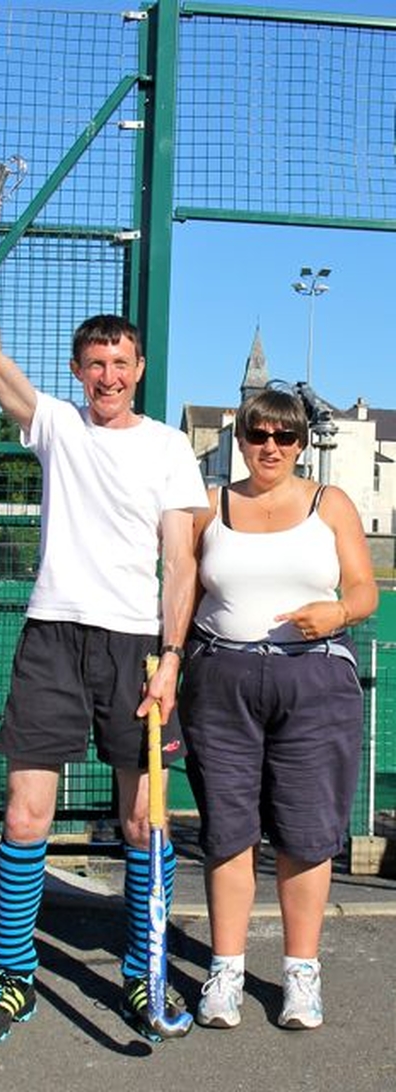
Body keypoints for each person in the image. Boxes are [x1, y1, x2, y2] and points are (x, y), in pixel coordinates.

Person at [0, 198, 208, 1045]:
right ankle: (14, 978)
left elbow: (183, 563)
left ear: (138, 369)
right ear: (77, 369)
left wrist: (170, 657)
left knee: (141, 822)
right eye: (93, 362)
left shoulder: (167, 445)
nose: (106, 376)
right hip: (52, 635)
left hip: (137, 649)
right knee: (25, 814)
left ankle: (142, 976)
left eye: (120, 362)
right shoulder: (54, 425)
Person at [177, 387, 378, 1032]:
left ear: (300, 444)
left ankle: (301, 973)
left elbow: (365, 588)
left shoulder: (332, 504)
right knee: (229, 830)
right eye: (258, 435)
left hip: (313, 680)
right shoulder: (210, 506)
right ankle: (226, 971)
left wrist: (339, 613)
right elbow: (181, 592)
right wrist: (167, 661)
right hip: (222, 679)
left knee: (306, 832)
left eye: (285, 438)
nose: (271, 448)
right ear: (240, 439)